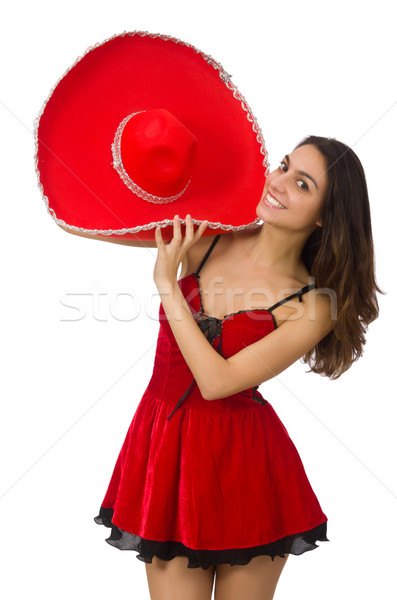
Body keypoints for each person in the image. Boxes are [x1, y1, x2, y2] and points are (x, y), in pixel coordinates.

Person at [64, 135, 380, 599]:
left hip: (246, 467)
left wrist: (167, 286)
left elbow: (216, 383)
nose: (278, 183)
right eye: (283, 166)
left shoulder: (312, 304)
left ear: (324, 217)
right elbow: (89, 219)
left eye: (302, 183)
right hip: (166, 450)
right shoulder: (211, 236)